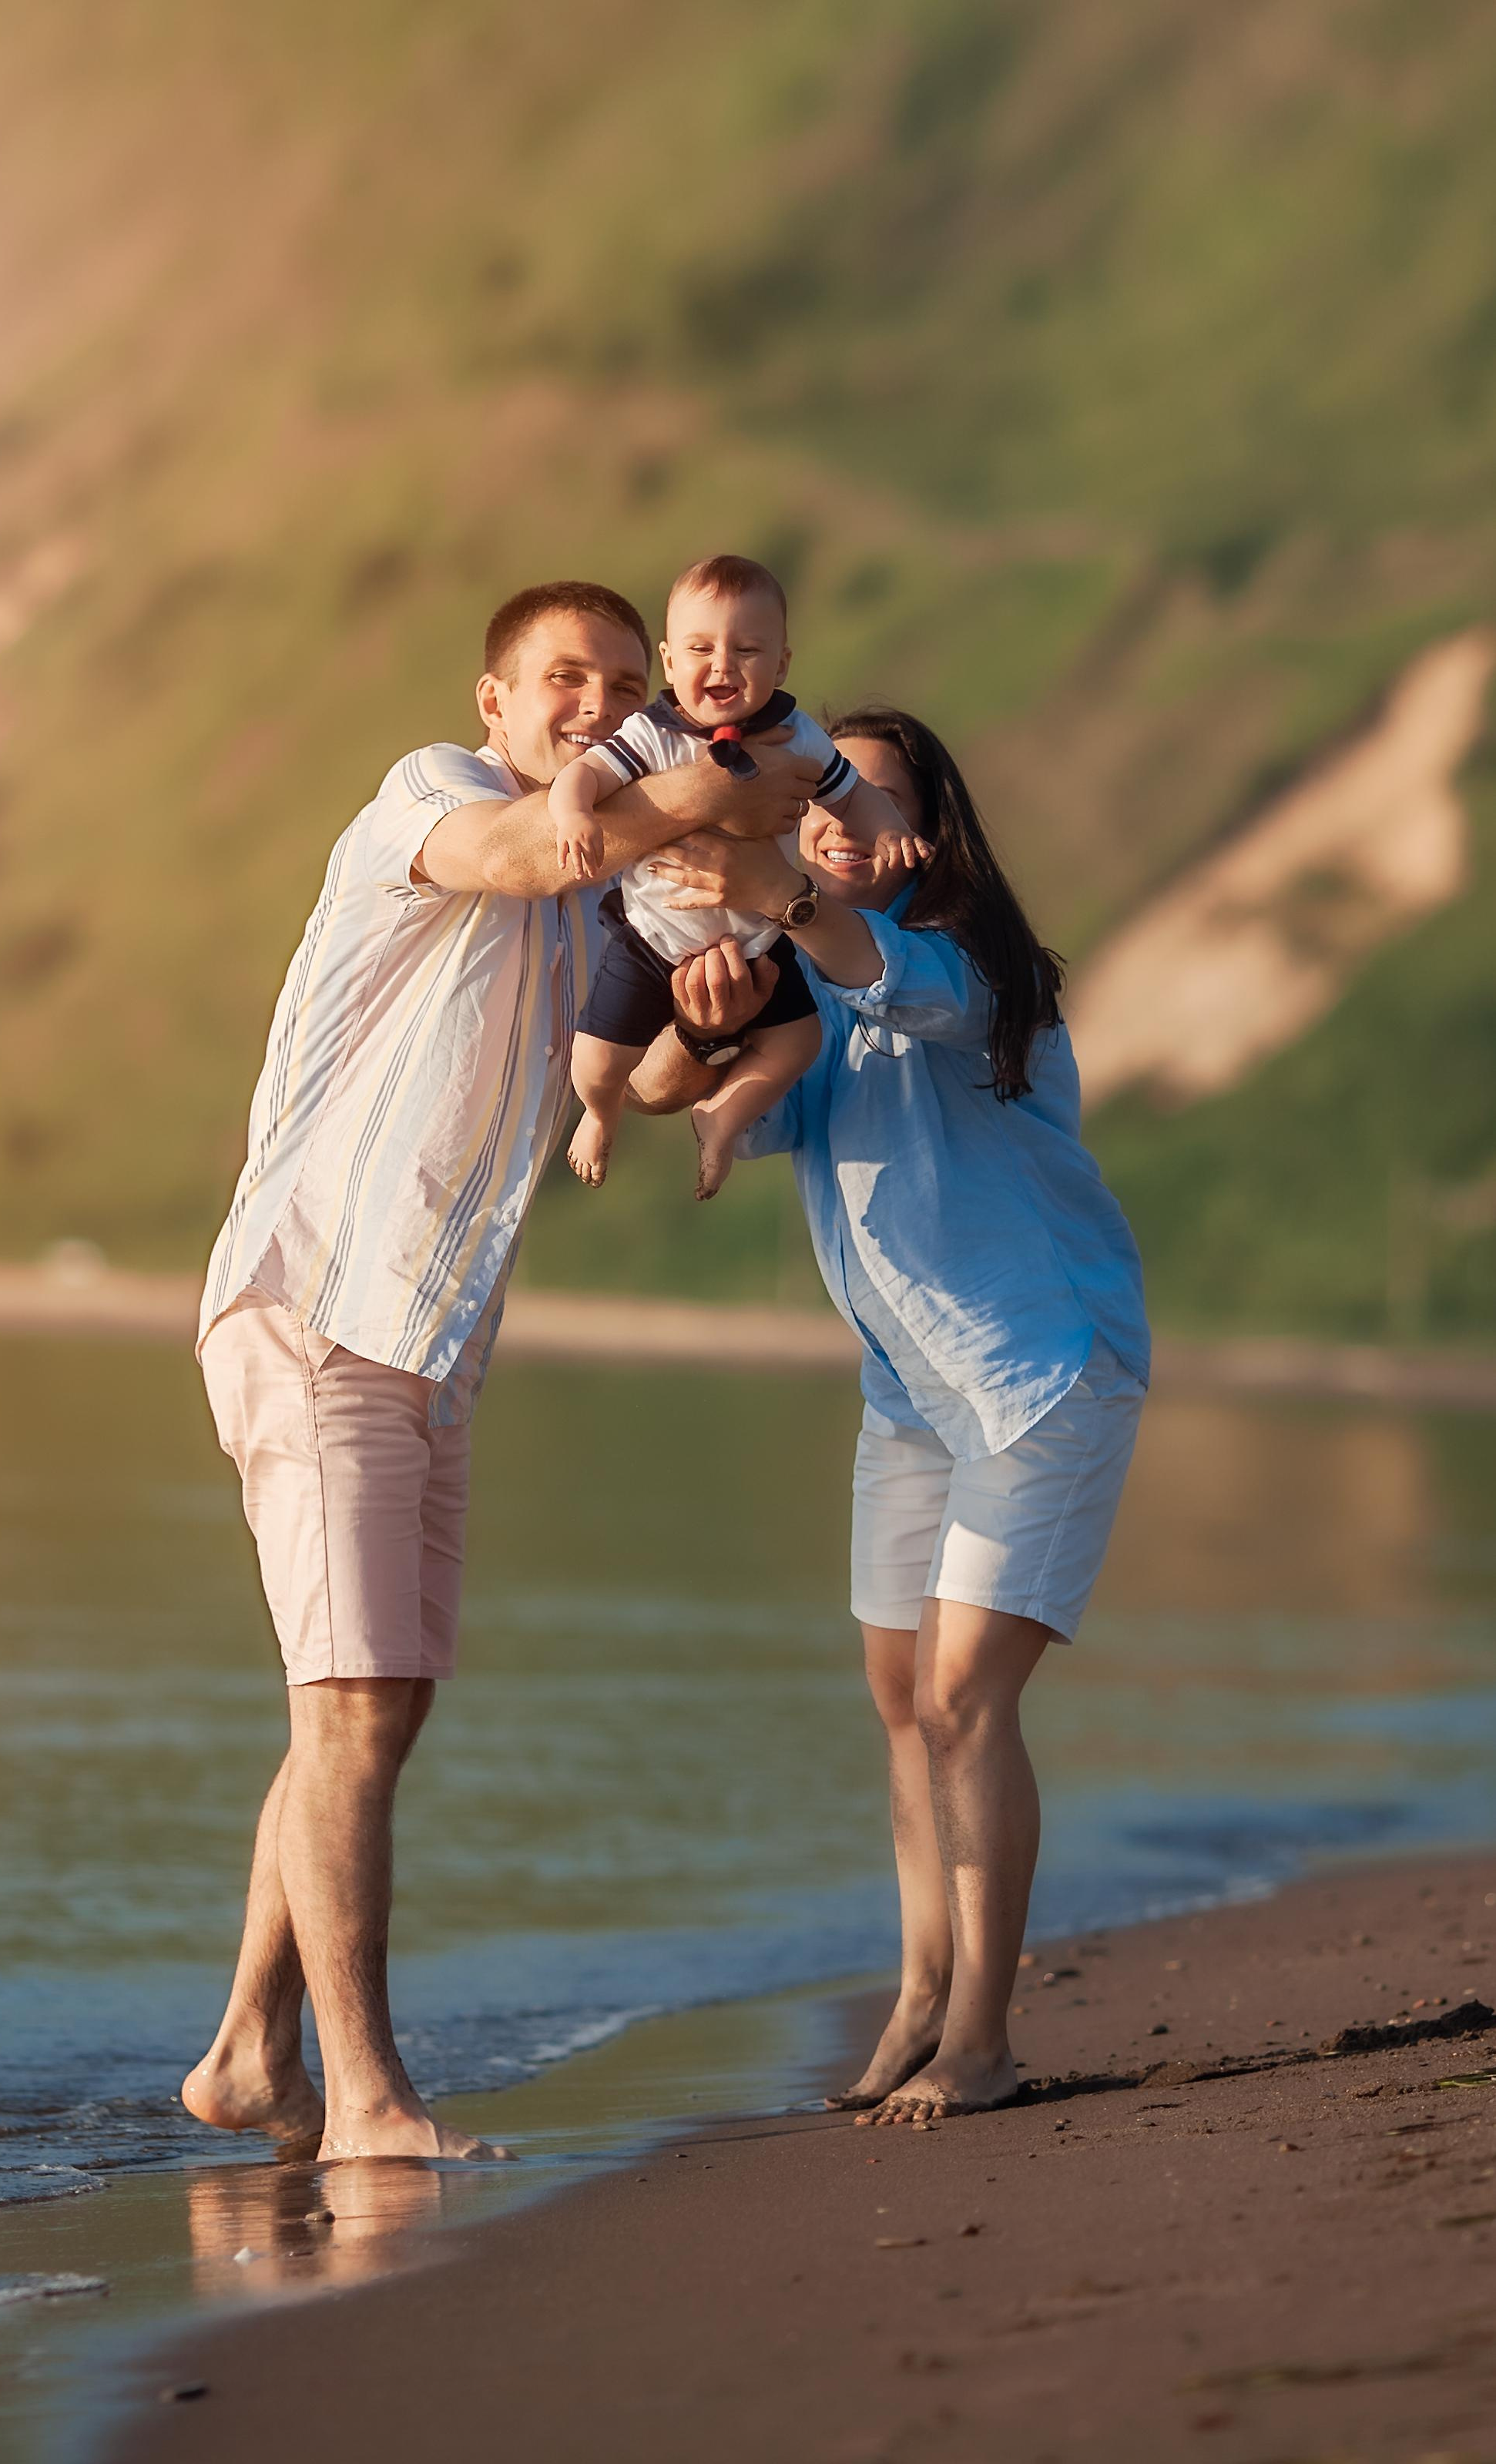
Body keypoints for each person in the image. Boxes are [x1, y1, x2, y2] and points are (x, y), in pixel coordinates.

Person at [183, 581, 822, 2164]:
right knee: (343, 1710)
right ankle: (367, 2105)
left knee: (373, 1711)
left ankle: (248, 2056)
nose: (590, 706)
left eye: (618, 683)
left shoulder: (588, 903)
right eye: (561, 680)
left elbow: (648, 1077)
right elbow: (554, 842)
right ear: (491, 700)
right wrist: (756, 777)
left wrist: (713, 1013)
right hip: (319, 1311)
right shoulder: (432, 798)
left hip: (431, 1339)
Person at [637, 706, 1149, 2124]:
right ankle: (921, 1989)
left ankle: (983, 2034)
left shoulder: (976, 967)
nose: (830, 815)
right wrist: (707, 1019)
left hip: (1039, 1370)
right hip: (908, 1395)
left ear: (926, 826)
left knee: (963, 1698)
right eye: (816, 794)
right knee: (897, 1703)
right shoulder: (820, 990)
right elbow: (685, 1088)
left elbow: (882, 967)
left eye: (861, 796)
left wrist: (785, 890)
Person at [551, 555, 906, 1199]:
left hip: (759, 940)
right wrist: (573, 811)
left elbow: (854, 796)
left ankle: (722, 1121)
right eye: (700, 647)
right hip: (654, 936)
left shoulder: (799, 738)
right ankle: (599, 1115)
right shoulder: (652, 735)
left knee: (798, 1040)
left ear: (782, 664)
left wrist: (889, 830)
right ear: (668, 659)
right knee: (598, 1059)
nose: (722, 664)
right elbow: (584, 776)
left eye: (747, 649)